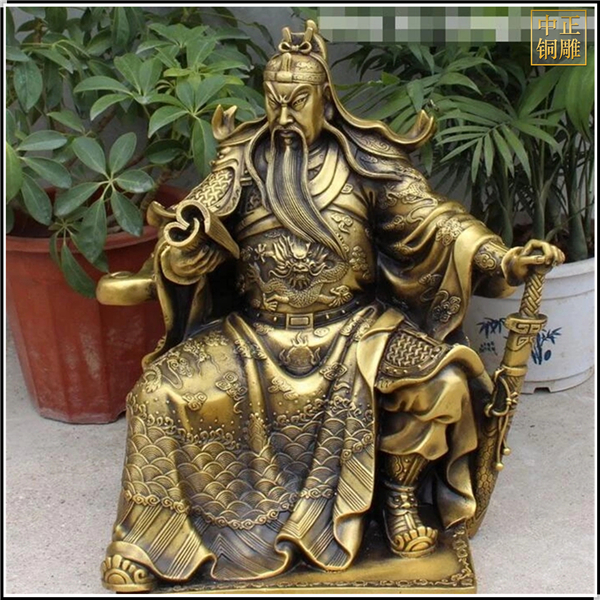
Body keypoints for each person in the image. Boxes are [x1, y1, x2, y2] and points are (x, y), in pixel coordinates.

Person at [99, 21, 564, 592]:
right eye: (274, 100)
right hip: (255, 337)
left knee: (441, 383)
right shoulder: (241, 163)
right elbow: (196, 222)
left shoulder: (365, 161)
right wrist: (183, 251)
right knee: (157, 392)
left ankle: (398, 499)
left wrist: (503, 258)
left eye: (297, 100)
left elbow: (436, 221)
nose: (283, 114)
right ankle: (150, 540)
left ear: (325, 98)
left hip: (355, 332)